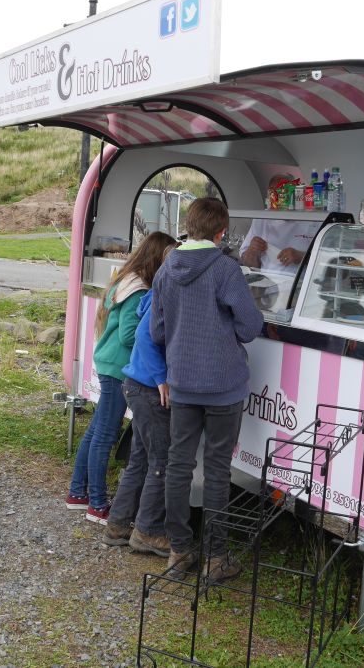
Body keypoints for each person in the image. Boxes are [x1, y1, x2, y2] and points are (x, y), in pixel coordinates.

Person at [150, 197, 263, 582]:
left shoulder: (166, 270)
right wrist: (222, 334)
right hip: (223, 387)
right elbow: (250, 326)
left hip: (182, 383)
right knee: (217, 470)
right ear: (221, 232)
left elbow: (157, 331)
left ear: (189, 226)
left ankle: (179, 552)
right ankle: (215, 559)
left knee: (178, 466)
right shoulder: (226, 270)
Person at [66, 231, 176, 524]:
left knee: (96, 431)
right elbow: (130, 335)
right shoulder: (140, 289)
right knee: (105, 435)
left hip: (109, 362)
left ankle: (78, 493)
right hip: (117, 367)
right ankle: (98, 504)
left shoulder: (125, 279)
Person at [101, 243, 179, 556]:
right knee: (161, 461)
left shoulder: (155, 295)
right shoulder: (162, 297)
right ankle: (147, 532)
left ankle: (118, 525)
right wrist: (161, 378)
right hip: (148, 389)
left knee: (141, 459)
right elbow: (145, 340)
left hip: (138, 385)